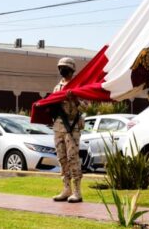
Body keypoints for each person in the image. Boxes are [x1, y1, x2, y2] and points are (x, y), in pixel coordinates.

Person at [51, 57, 85, 203]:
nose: (62, 70)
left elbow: (86, 107)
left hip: (72, 127)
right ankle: (66, 188)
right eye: (60, 67)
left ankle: (77, 191)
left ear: (72, 70)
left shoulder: (79, 86)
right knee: (62, 159)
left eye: (65, 67)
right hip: (58, 127)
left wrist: (75, 99)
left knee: (73, 159)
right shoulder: (57, 87)